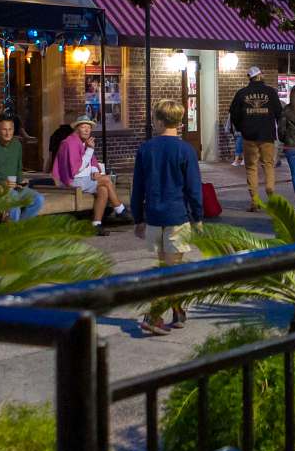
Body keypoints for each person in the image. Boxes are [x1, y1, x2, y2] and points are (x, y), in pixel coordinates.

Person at [131, 99, 205, 335]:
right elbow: (194, 188)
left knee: (165, 266)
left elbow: (138, 187)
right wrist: (198, 216)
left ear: (159, 121)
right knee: (172, 269)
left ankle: (178, 310)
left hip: (153, 215)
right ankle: (154, 315)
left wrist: (138, 218)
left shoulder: (146, 149)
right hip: (177, 215)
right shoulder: (186, 150)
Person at [53, 115, 126, 233]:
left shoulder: (82, 142)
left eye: (89, 127)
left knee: (103, 189)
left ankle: (96, 224)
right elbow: (76, 169)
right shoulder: (70, 142)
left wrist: (95, 172)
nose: (87, 130)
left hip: (82, 180)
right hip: (72, 181)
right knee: (107, 180)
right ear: (77, 128)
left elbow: (91, 163)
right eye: (83, 127)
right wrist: (90, 150)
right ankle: (120, 209)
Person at [228, 65, 282, 210]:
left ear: (250, 78)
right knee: (268, 165)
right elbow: (279, 112)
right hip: (267, 135)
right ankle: (270, 191)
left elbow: (233, 113)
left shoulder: (241, 93)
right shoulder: (270, 92)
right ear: (260, 75)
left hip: (249, 136)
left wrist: (241, 127)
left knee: (251, 168)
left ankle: (255, 201)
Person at [0, 116, 43, 221]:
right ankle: (13, 231)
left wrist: (20, 182)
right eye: (4, 129)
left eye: (10, 129)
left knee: (38, 199)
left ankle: (18, 229)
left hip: (15, 188)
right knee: (13, 198)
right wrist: (1, 184)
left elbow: (18, 167)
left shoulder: (17, 145)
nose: (8, 133)